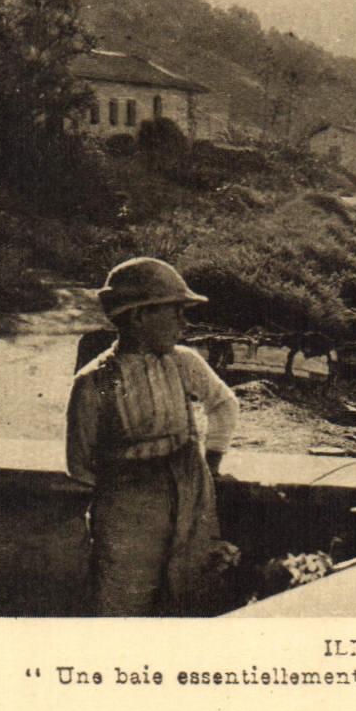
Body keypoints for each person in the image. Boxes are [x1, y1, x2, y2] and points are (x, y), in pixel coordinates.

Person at [65, 257, 239, 615]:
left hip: (191, 492)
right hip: (127, 508)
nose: (183, 323)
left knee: (193, 589)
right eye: (174, 312)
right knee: (123, 598)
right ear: (139, 316)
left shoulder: (184, 363)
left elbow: (224, 404)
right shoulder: (96, 381)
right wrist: (127, 489)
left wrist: (210, 462)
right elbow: (80, 461)